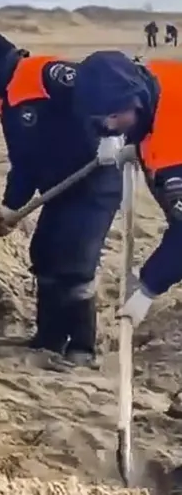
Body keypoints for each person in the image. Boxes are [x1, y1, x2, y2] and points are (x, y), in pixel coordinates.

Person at [0, 28, 122, 366]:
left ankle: (82, 348)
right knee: (45, 253)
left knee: (75, 262)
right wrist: (9, 209)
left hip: (95, 179)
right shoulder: (7, 101)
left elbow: (101, 90)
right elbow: (23, 165)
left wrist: (112, 133)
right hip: (58, 190)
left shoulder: (45, 74)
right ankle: (49, 338)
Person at [76, 52, 182, 330]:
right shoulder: (153, 80)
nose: (107, 127)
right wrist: (132, 143)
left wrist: (148, 285)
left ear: (132, 102)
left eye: (110, 118)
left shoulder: (174, 154)